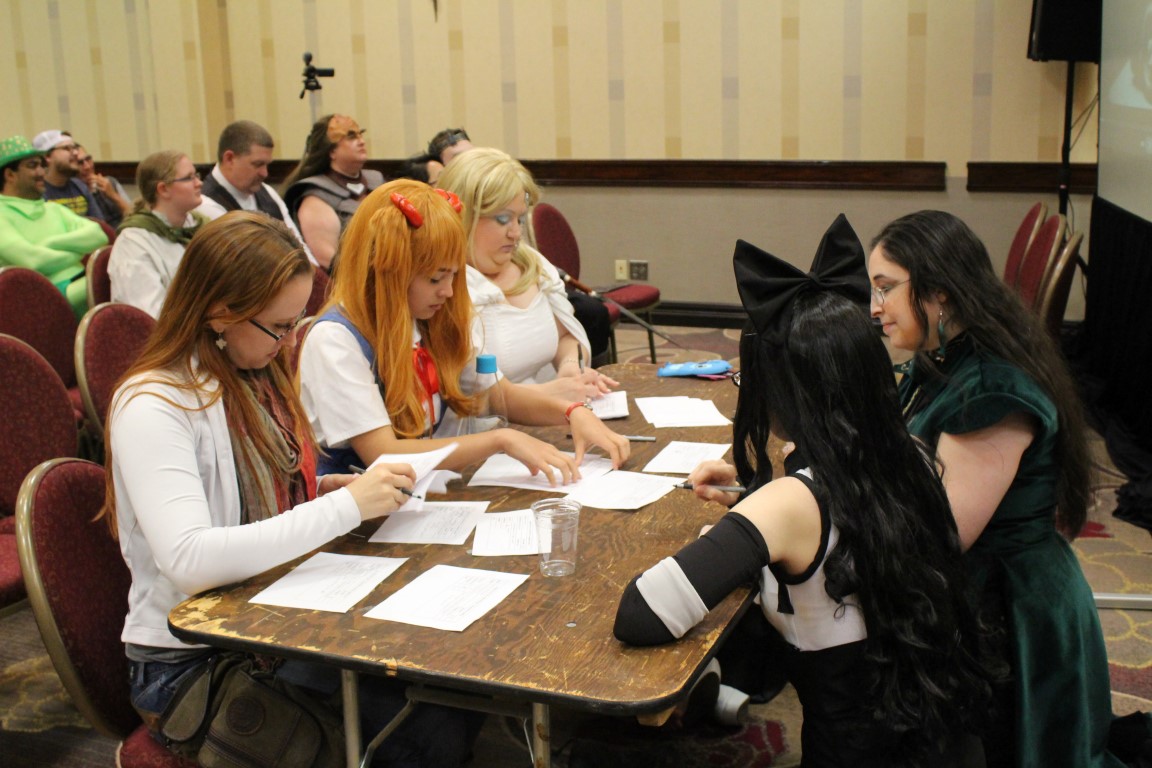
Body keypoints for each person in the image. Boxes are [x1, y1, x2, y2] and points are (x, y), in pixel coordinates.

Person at [103, 211, 482, 766]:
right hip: (193, 661)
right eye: (278, 326)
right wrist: (343, 507)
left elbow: (253, 500)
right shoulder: (154, 404)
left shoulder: (250, 373)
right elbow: (190, 560)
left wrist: (323, 489)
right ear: (219, 312)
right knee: (424, 731)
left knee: (447, 691)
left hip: (267, 618)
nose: (286, 343)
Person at [614, 216, 995, 767]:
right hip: (944, 738)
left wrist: (737, 535)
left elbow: (640, 613)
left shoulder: (791, 503)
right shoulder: (910, 453)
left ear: (782, 391)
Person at [868, 210, 1123, 767]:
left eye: (885, 288)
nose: (874, 307)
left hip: (1013, 612)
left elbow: (944, 533)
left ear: (938, 290)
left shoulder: (989, 389)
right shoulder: (946, 355)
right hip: (984, 588)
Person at [297, 179, 629, 479]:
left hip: (421, 492)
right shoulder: (336, 340)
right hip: (359, 508)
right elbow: (383, 452)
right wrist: (500, 439)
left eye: (454, 276)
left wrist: (571, 411)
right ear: (387, 272)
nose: (448, 292)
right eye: (434, 278)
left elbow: (499, 395)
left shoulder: (428, 317)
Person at [437, 147, 615, 402]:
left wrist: (569, 368)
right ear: (464, 217)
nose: (516, 233)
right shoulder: (441, 286)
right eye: (502, 219)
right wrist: (551, 394)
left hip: (550, 414)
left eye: (519, 219)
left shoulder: (531, 263)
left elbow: (565, 336)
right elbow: (461, 397)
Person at [0, 134, 106, 318]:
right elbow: (33, 262)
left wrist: (51, 243)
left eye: (42, 165)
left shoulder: (53, 209)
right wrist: (79, 252)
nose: (42, 172)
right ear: (10, 175)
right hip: (39, 301)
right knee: (113, 281)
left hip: (80, 284)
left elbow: (99, 235)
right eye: (33, 166)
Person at [195, 120, 315, 265]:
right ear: (229, 158)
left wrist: (316, 276)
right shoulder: (205, 205)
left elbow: (299, 247)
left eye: (267, 165)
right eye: (258, 164)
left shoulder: (268, 192)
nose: (265, 173)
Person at [109, 150, 206, 318]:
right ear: (163, 189)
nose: (199, 183)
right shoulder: (132, 243)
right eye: (189, 178)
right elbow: (149, 314)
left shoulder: (199, 225)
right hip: (171, 330)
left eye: (196, 175)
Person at [282, 114, 383, 271]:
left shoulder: (376, 180)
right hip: (350, 279)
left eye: (360, 134)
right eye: (351, 137)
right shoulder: (315, 197)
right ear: (331, 151)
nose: (361, 141)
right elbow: (329, 262)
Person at [33, 129, 105, 222]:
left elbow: (100, 225)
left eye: (74, 148)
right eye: (67, 148)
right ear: (47, 156)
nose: (75, 153)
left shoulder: (79, 186)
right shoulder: (37, 193)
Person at [76, 144, 132, 228]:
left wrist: (113, 196)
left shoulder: (110, 182)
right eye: (80, 163)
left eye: (88, 159)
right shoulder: (74, 193)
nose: (87, 167)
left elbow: (134, 215)